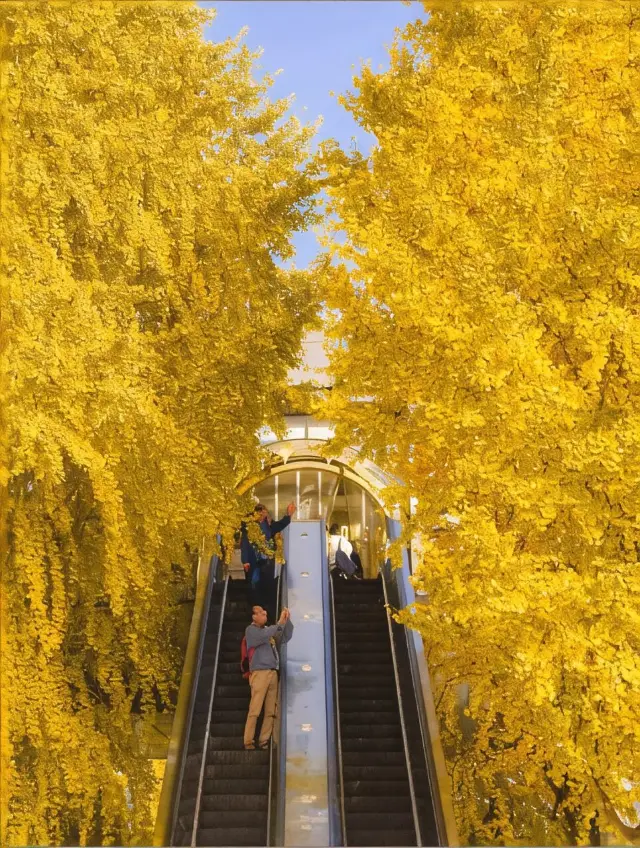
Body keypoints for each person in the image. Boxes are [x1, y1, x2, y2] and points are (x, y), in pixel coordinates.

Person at [243, 605, 294, 750]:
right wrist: (279, 623)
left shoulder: (267, 632)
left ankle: (264, 739)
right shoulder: (251, 631)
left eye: (264, 610)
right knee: (255, 709)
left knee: (271, 710)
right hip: (259, 673)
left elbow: (284, 637)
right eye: (260, 612)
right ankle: (248, 740)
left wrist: (286, 621)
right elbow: (266, 634)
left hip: (272, 672)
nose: (264, 612)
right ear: (253, 617)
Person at [241, 502, 296, 621]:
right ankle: (256, 613)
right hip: (254, 561)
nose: (262, 515)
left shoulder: (269, 524)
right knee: (254, 586)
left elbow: (280, 525)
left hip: (267, 561)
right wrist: (245, 560)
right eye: (260, 513)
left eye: (264, 513)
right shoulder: (248, 526)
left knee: (268, 586)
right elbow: (244, 542)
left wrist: (288, 515)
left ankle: (267, 612)